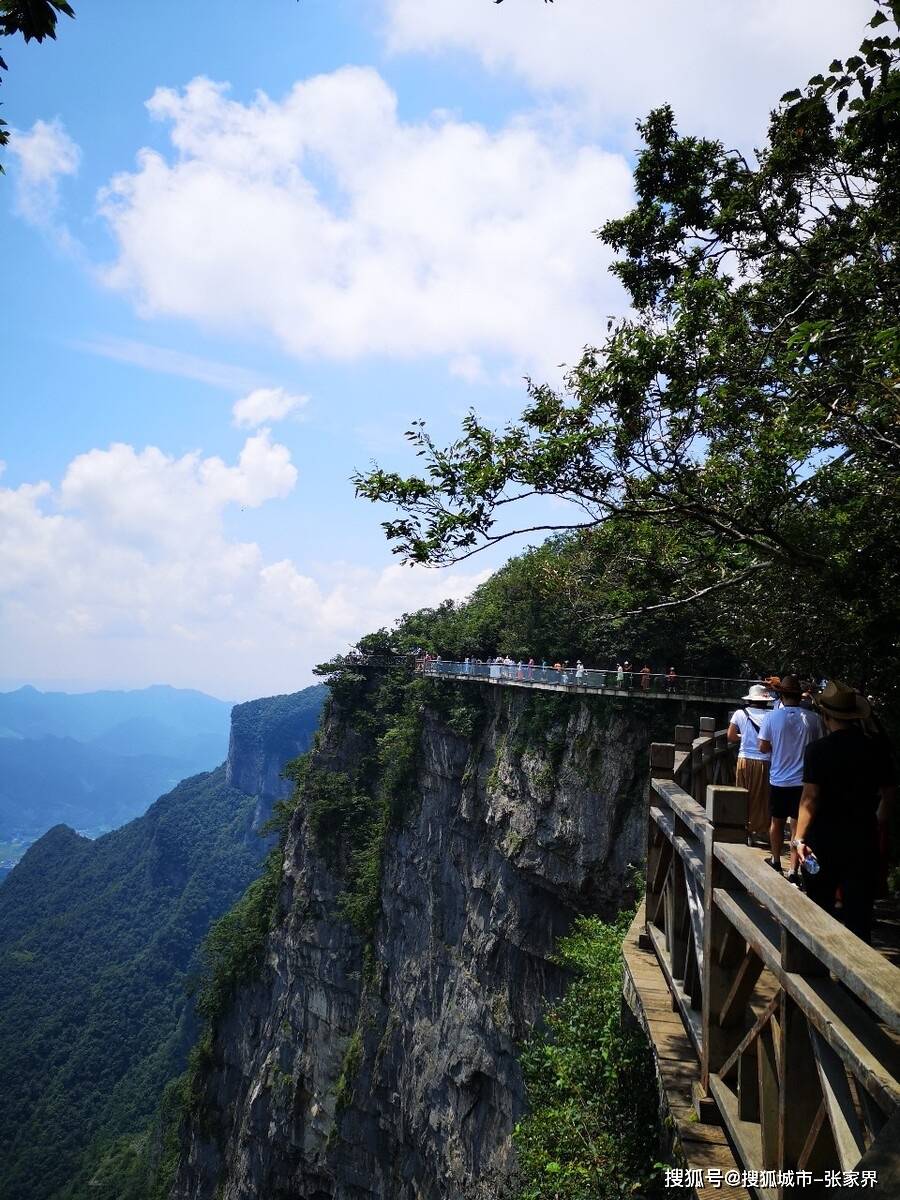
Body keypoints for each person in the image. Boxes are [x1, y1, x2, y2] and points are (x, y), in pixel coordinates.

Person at [794, 681, 896, 944]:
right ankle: (852, 984)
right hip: (863, 839)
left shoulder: (818, 750)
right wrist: (878, 823)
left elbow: (810, 798)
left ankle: (815, 978)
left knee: (819, 910)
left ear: (826, 716)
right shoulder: (876, 749)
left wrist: (799, 839)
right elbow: (889, 794)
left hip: (823, 840)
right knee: (859, 917)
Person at [758, 675, 824, 882]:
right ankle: (794, 870)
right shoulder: (813, 719)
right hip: (805, 782)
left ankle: (776, 860)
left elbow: (763, 747)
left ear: (782, 695)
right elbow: (820, 745)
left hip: (779, 778)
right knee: (797, 827)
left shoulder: (772, 717)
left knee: (776, 822)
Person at [727, 684, 772, 842]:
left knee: (743, 794)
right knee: (762, 797)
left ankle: (744, 829)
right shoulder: (772, 715)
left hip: (744, 759)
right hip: (764, 761)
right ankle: (759, 830)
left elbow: (731, 736)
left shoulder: (740, 713)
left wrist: (744, 736)